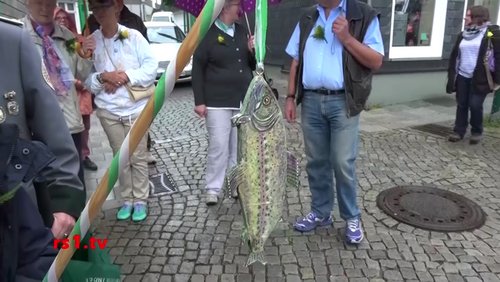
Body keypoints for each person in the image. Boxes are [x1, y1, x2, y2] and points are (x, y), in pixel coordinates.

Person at [284, 0, 384, 244]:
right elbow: (296, 59)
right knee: (316, 161)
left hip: (343, 102)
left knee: (342, 162)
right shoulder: (308, 16)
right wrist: (290, 96)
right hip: (311, 101)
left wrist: (348, 39)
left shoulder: (362, 15)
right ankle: (321, 212)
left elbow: (376, 60)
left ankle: (351, 217)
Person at [0, 16, 85, 281]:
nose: (48, 10)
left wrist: (64, 201)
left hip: (19, 227)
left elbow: (79, 71)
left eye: (53, 6)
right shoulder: (24, 31)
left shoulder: (12, 40)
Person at [85, 0, 157, 222]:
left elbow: (151, 67)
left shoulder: (133, 36)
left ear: (115, 8)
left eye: (103, 7)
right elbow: (86, 80)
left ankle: (141, 200)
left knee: (138, 156)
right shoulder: (91, 43)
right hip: (109, 112)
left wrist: (124, 76)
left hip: (136, 107)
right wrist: (103, 77)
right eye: (95, 9)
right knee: (121, 158)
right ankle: (127, 198)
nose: (99, 13)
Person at [21, 0, 95, 193]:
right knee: (45, 183)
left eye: (49, 2)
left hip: (70, 123)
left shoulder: (67, 37)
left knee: (74, 179)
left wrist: (86, 55)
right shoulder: (17, 36)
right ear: (28, 2)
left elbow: (81, 73)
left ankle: (80, 221)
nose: (45, 7)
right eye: (39, 2)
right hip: (37, 127)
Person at [192, 0, 256, 206]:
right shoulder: (207, 34)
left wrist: (251, 50)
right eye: (238, 4)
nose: (241, 9)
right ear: (225, 7)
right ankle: (213, 187)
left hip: (241, 98)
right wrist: (199, 101)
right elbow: (197, 69)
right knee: (219, 145)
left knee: (238, 147)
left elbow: (252, 65)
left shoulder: (241, 30)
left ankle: (234, 184)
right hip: (217, 101)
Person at [446, 6, 500, 144]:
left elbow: (497, 54)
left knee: (475, 104)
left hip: (480, 77)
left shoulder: (489, 33)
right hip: (463, 75)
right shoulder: (463, 34)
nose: (465, 17)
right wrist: (452, 76)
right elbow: (455, 56)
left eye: (468, 15)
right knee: (462, 104)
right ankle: (459, 131)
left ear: (477, 17)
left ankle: (477, 131)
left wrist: (498, 78)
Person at [54, 7, 99, 171]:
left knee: (83, 127)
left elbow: (84, 67)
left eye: (64, 17)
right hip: (65, 94)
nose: (62, 20)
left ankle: (84, 155)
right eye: (58, 17)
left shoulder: (76, 38)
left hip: (81, 91)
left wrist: (88, 53)